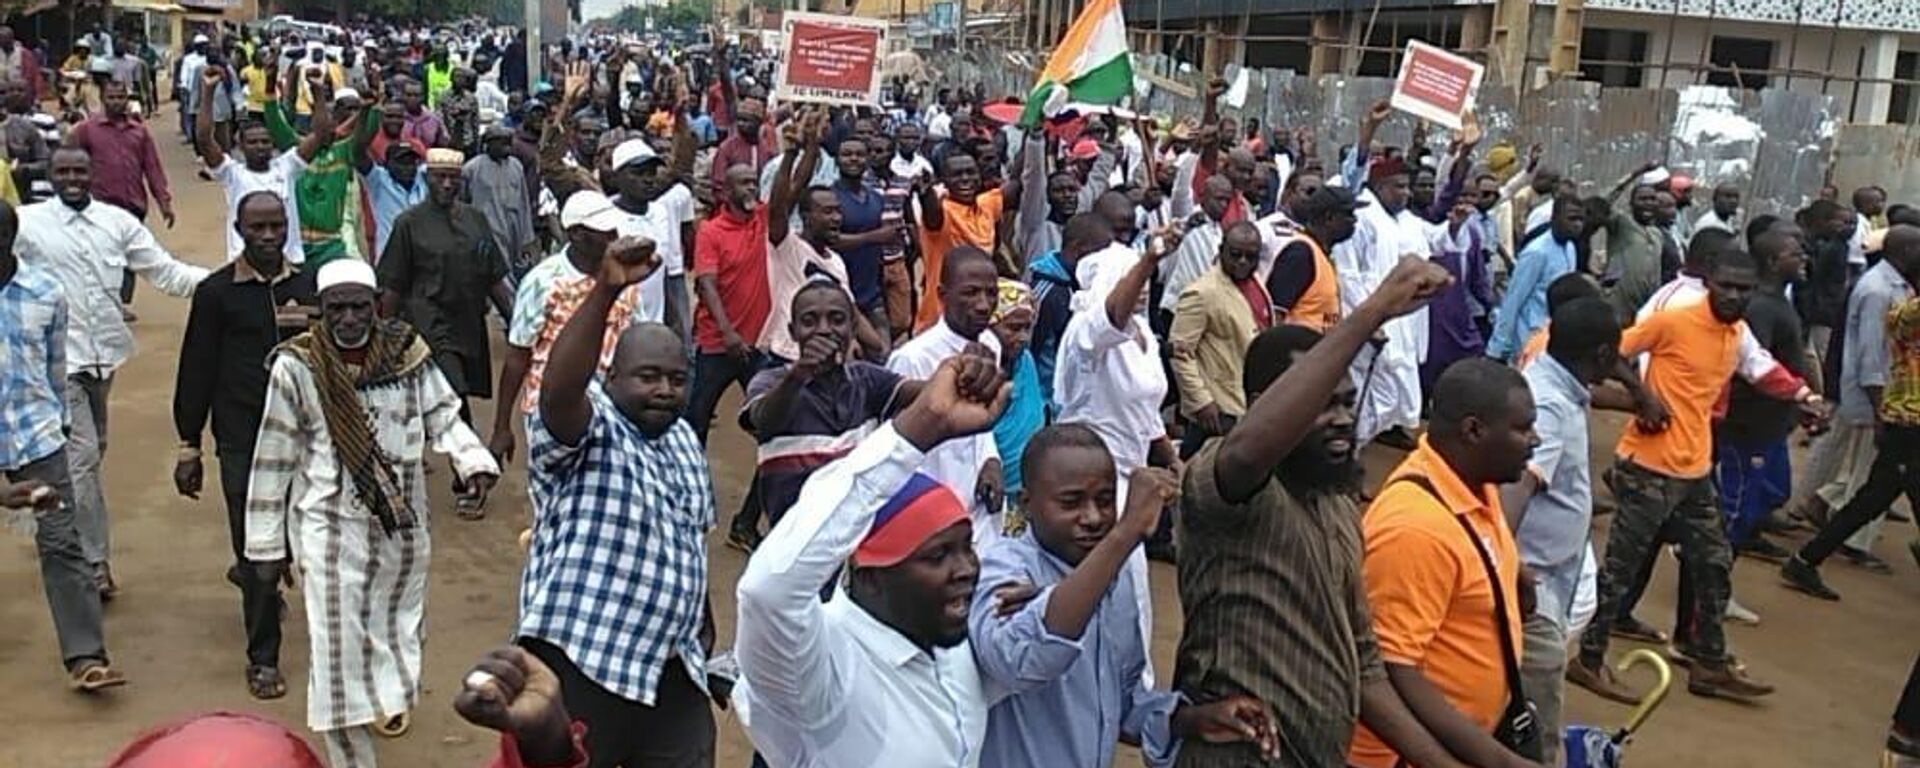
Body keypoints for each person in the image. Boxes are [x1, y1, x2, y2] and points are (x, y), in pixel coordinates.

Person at [1177, 257, 1494, 768]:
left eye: (1347, 402)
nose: (1343, 419)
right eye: (1323, 402)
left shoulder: (1338, 502)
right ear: (1263, 403)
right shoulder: (1225, 483)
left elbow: (1363, 663)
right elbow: (1246, 453)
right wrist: (1372, 313)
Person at [245, 258, 499, 767]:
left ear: (376, 306)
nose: (348, 320)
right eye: (336, 309)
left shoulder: (408, 356)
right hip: (329, 527)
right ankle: (349, 754)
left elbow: (442, 414)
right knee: (334, 646)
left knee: (398, 624)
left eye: (358, 308)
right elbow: (273, 458)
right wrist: (267, 548)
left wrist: (471, 460)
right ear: (321, 311)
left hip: (400, 526)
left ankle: (384, 699)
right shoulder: (298, 366)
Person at [733, 349, 1008, 765]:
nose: (967, 569)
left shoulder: (953, 642)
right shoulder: (822, 670)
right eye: (938, 556)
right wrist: (919, 428)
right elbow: (766, 591)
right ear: (870, 574)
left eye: (966, 546)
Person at [1571, 249, 1821, 703]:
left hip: (1695, 469)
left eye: (1743, 289)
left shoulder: (1737, 333)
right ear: (1708, 282)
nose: (1733, 295)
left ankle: (1708, 662)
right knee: (1619, 572)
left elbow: (1761, 369)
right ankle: (1588, 660)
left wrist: (1805, 395)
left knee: (1714, 562)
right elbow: (1612, 352)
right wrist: (1641, 394)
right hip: (1648, 466)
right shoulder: (1674, 321)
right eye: (1724, 285)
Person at [518, 238, 718, 768]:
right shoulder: (592, 425)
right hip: (584, 657)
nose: (664, 391)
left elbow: (690, 536)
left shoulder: (683, 441)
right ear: (611, 378)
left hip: (672, 662)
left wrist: (702, 614)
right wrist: (606, 291)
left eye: (677, 380)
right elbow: (558, 393)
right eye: (648, 376)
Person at [971, 425, 1280, 766]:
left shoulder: (1114, 581)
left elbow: (1120, 704)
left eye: (1105, 501)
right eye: (1071, 503)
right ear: (1027, 505)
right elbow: (1020, 660)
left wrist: (1193, 720)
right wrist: (1124, 534)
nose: (1092, 518)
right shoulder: (1001, 570)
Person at [19, 146, 207, 599]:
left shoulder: (117, 222)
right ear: (51, 175)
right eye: (62, 171)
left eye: (79, 171)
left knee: (90, 454)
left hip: (105, 358)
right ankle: (92, 563)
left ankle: (56, 519)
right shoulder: (28, 224)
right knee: (81, 460)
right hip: (56, 363)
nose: (71, 179)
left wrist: (226, 283)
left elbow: (165, 273)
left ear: (93, 173)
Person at [1348, 358, 1543, 768]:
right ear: (1473, 431)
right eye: (1523, 428)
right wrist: (1499, 762)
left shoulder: (1472, 483)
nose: (1536, 440)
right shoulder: (1415, 527)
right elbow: (1389, 667)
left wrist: (1509, 577)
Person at [172, 191, 317, 701]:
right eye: (257, 228)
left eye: (277, 226)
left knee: (311, 547)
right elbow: (197, 369)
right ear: (239, 229)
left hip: (303, 442)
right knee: (257, 553)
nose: (269, 236)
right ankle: (263, 659)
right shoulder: (216, 294)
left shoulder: (309, 286)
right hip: (242, 440)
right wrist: (189, 444)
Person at [0, 199, 120, 692]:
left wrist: (61, 426)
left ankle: (86, 657)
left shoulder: (46, 293)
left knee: (62, 544)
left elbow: (55, 367)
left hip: (36, 437)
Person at [1500, 298, 1625, 766]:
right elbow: (1520, 484)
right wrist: (1506, 565)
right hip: (1534, 579)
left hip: (1559, 568)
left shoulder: (1565, 388)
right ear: (1601, 356)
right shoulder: (1548, 405)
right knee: (1535, 712)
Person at [1782, 225, 1920, 601]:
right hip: (1905, 419)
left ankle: (1807, 559)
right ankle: (1807, 556)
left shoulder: (1901, 294)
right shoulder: (1895, 301)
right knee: (1877, 491)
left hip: (1905, 417)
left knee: (1873, 496)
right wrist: (1879, 408)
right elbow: (1873, 353)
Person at [487, 191, 645, 483]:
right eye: (604, 233)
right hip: (550, 411)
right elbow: (517, 356)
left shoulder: (624, 278)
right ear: (576, 235)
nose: (614, 237)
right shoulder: (543, 282)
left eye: (614, 230)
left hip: (613, 409)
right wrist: (501, 427)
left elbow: (638, 337)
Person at [744, 280, 920, 535]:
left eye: (837, 319)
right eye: (809, 321)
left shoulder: (867, 380)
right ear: (793, 332)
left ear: (853, 328)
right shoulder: (771, 381)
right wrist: (799, 374)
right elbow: (764, 421)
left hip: (856, 538)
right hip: (795, 541)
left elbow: (924, 393)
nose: (824, 330)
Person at [376, 147, 515, 460]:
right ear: (428, 179)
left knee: (446, 396)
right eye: (440, 178)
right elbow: (394, 284)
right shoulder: (408, 224)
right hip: (428, 323)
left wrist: (516, 321)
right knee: (454, 394)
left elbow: (494, 276)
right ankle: (470, 467)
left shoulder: (475, 220)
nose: (447, 185)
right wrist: (382, 334)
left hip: (468, 322)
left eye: (453, 178)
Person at [890, 245, 1007, 541]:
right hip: (929, 505)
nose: (983, 305)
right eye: (970, 293)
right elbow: (898, 447)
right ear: (942, 296)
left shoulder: (991, 345)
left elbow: (983, 420)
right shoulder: (913, 358)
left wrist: (990, 460)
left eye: (991, 293)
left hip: (977, 499)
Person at [197, 63, 317, 265]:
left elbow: (321, 135)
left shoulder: (288, 166)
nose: (260, 146)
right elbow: (203, 139)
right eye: (252, 142)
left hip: (289, 261)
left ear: (272, 145)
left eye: (265, 141)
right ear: (241, 146)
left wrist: (318, 91)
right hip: (244, 264)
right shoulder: (231, 173)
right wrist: (208, 92)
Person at [685, 163, 771, 442]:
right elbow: (706, 284)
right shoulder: (711, 231)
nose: (751, 188)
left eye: (754, 182)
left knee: (767, 421)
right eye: (743, 183)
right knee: (697, 419)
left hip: (756, 343)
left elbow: (788, 193)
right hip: (717, 343)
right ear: (725, 191)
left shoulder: (763, 219)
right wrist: (727, 332)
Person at [1170, 220, 1268, 460]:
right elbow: (1180, 352)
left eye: (1250, 256)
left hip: (1249, 405)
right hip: (1217, 409)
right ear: (1221, 250)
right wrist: (1201, 401)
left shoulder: (1257, 284)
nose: (1243, 262)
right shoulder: (1202, 292)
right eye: (1235, 254)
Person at [265, 71, 374, 269]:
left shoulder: (344, 151)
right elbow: (273, 122)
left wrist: (369, 109)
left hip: (331, 246)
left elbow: (364, 135)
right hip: (294, 245)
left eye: (328, 123)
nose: (324, 128)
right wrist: (270, 85)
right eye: (318, 123)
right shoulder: (295, 151)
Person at [914, 148, 1004, 332]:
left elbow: (1021, 182)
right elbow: (932, 217)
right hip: (940, 322)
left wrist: (1034, 135)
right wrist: (926, 193)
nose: (965, 179)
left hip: (979, 316)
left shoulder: (986, 205)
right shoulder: (943, 211)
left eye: (970, 172)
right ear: (944, 181)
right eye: (957, 175)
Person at [1029, 213, 1113, 410]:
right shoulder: (1045, 294)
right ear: (1078, 251)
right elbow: (1030, 353)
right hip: (1049, 401)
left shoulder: (1087, 285)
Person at [1488, 195, 1584, 362]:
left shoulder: (1570, 248)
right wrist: (1498, 348)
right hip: (1530, 335)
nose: (1577, 225)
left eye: (1581, 219)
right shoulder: (1536, 253)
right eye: (1572, 218)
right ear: (1554, 218)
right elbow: (1513, 300)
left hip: (1556, 333)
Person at [1268, 186, 1362, 332]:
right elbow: (1274, 316)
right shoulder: (1301, 254)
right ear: (1329, 218)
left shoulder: (1322, 255)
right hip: (1296, 351)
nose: (1355, 220)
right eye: (1348, 214)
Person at [465, 125, 537, 274]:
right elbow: (464, 202)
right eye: (501, 142)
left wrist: (527, 239)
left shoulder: (516, 166)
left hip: (513, 229)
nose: (507, 146)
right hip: (486, 230)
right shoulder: (472, 168)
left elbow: (523, 203)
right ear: (489, 144)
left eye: (509, 141)